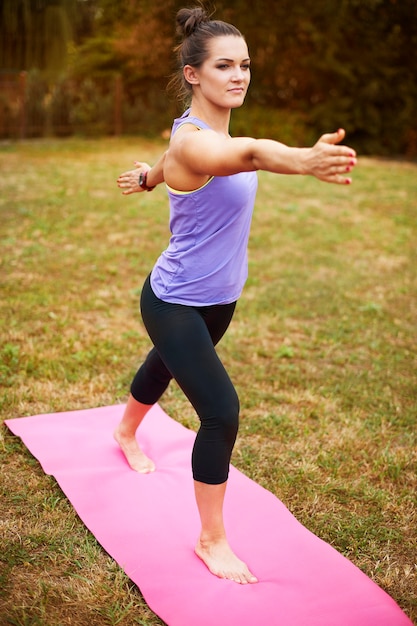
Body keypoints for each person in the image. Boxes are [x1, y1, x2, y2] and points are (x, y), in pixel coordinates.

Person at [114, 5, 357, 585]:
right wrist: (301, 158)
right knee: (221, 413)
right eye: (225, 65)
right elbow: (242, 155)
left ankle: (125, 430)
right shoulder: (199, 145)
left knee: (163, 366)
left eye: (245, 64)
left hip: (220, 299)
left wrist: (146, 177)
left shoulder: (199, 137)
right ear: (194, 74)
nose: (240, 75)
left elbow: (180, 165)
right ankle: (211, 539)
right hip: (172, 298)